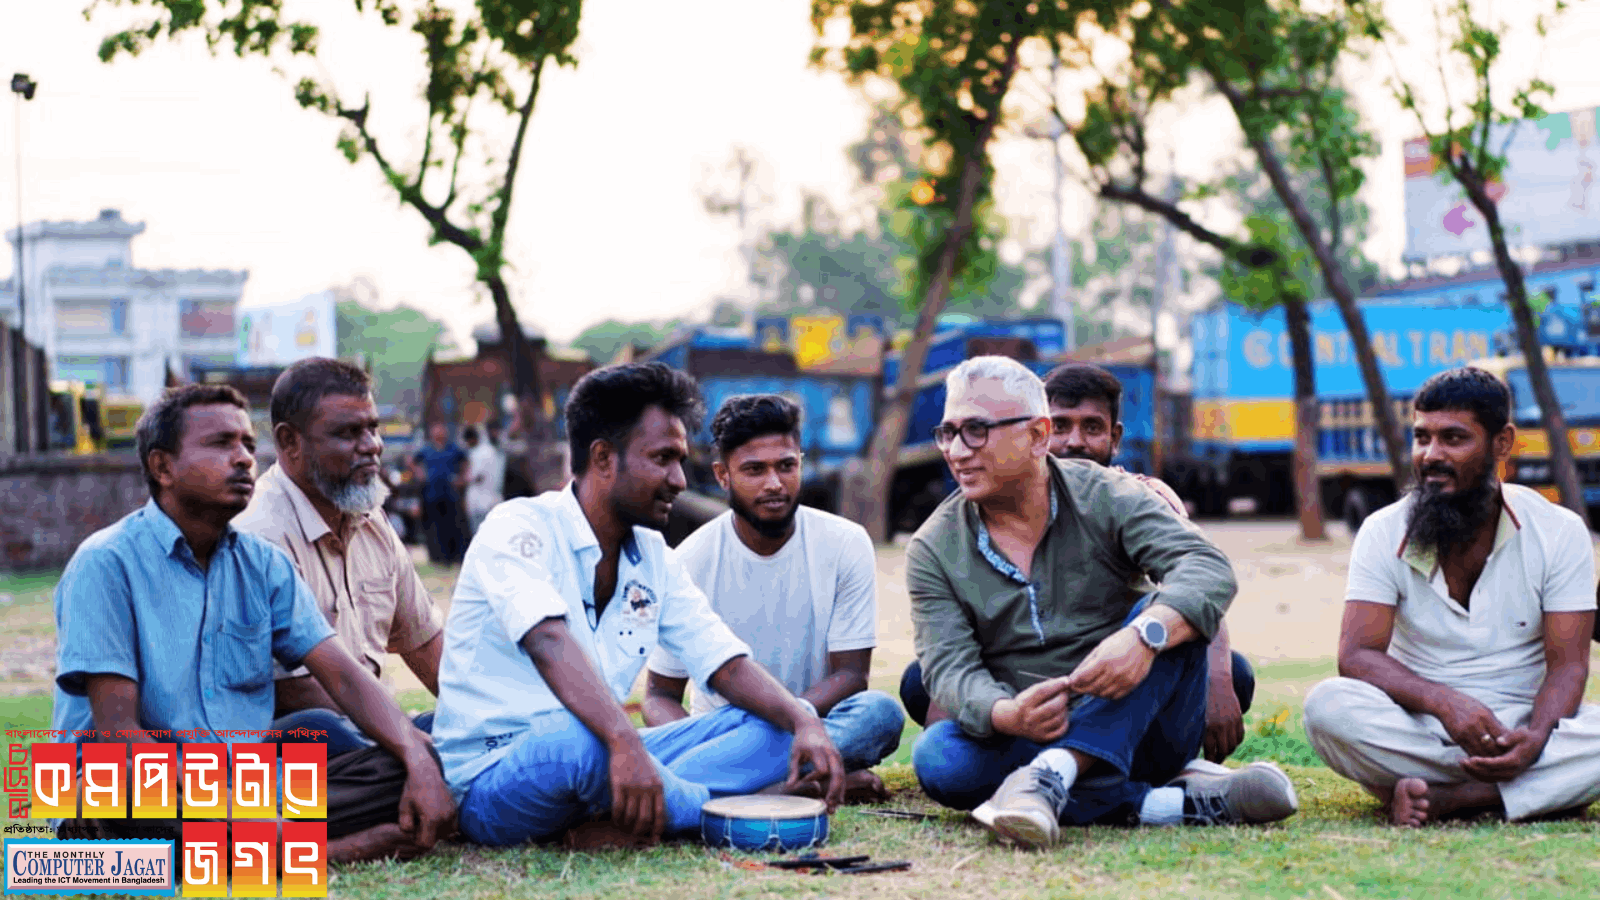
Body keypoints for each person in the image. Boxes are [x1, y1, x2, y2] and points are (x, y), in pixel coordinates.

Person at [432, 362, 845, 849]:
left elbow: (725, 664)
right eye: (663, 459)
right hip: (500, 776)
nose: (678, 479)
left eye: (680, 460)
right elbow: (547, 640)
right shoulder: (517, 526)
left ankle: (625, 815)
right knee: (576, 739)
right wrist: (623, 741)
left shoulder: (652, 555)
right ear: (604, 458)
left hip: (614, 752)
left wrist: (803, 722)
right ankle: (725, 811)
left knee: (772, 721)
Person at [51, 383, 456, 862]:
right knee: (121, 799)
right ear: (162, 467)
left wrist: (415, 756)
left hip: (243, 784)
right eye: (221, 444)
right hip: (140, 780)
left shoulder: (262, 565)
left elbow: (344, 676)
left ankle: (261, 843)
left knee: (423, 747)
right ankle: (322, 850)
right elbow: (118, 733)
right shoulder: (106, 562)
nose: (244, 458)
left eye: (247, 443)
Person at [907, 356, 1297, 850]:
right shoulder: (932, 546)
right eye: (948, 432)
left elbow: (1206, 569)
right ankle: (1164, 802)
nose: (957, 451)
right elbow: (948, 669)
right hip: (1028, 731)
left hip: (1140, 723)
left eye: (977, 431)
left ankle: (1051, 776)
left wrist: (1143, 638)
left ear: (1035, 435)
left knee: (1166, 613)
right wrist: (1008, 714)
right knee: (940, 759)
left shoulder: (1109, 495)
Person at [1302, 367, 1600, 826]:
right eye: (1422, 438)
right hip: (1420, 725)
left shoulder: (1559, 532)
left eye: (1453, 439)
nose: (1431, 455)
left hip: (1525, 725)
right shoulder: (1385, 531)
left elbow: (1569, 665)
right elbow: (1358, 655)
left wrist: (1537, 736)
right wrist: (1445, 704)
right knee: (1327, 708)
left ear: (1502, 443)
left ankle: (1456, 796)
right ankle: (1536, 790)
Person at [641, 394, 905, 803]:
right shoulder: (689, 559)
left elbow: (852, 675)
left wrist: (794, 718)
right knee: (627, 750)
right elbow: (659, 696)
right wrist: (721, 736)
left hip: (814, 725)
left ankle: (744, 786)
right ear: (722, 475)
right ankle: (790, 786)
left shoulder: (845, 543)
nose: (774, 483)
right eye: (754, 470)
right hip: (725, 734)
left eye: (786, 466)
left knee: (879, 714)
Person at [233, 358, 445, 764]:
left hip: (369, 737)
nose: (372, 446)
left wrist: (484, 717)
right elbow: (293, 692)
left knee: (458, 725)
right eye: (348, 433)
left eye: (373, 428)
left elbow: (430, 650)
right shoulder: (256, 536)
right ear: (289, 442)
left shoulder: (371, 521)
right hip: (287, 750)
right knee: (326, 730)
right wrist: (404, 738)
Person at [412, 423, 469, 564]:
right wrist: (419, 473)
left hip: (450, 494)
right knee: (434, 528)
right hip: (431, 494)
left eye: (441, 430)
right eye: (435, 431)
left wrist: (462, 479)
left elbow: (466, 463)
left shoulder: (453, 449)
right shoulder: (426, 450)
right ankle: (437, 557)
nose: (438, 433)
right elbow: (412, 462)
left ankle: (453, 557)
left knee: (452, 526)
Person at [462, 424, 506, 536]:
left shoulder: (481, 452)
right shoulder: (492, 451)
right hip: (491, 499)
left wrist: (461, 480)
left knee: (481, 537)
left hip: (482, 503)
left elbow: (477, 477)